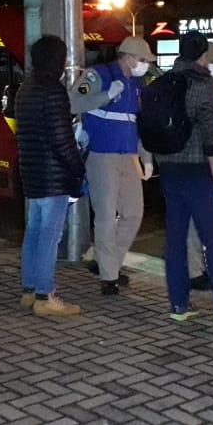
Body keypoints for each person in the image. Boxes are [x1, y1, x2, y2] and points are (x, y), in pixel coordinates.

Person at [157, 32, 213, 322]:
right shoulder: (203, 85)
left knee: (175, 239)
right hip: (199, 172)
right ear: (202, 57)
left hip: (169, 172)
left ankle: (179, 305)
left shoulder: (164, 82)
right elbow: (212, 135)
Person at [71, 36, 155, 295]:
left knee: (133, 213)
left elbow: (134, 122)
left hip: (128, 155)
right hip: (102, 155)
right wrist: (106, 95)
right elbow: (74, 102)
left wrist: (147, 156)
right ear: (128, 56)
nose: (144, 65)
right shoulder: (98, 75)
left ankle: (109, 263)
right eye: (142, 60)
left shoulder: (136, 83)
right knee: (106, 216)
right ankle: (109, 277)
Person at [16, 35, 85, 316]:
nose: (66, 61)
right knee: (50, 236)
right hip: (53, 175)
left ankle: (29, 290)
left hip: (32, 173)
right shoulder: (52, 90)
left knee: (34, 232)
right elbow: (61, 139)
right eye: (64, 56)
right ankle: (45, 296)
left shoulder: (27, 88)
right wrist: (78, 167)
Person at [188, 42, 213, 291]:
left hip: (204, 159)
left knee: (199, 217)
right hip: (203, 160)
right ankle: (195, 270)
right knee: (197, 218)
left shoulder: (203, 85)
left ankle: (197, 268)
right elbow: (209, 131)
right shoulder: (201, 86)